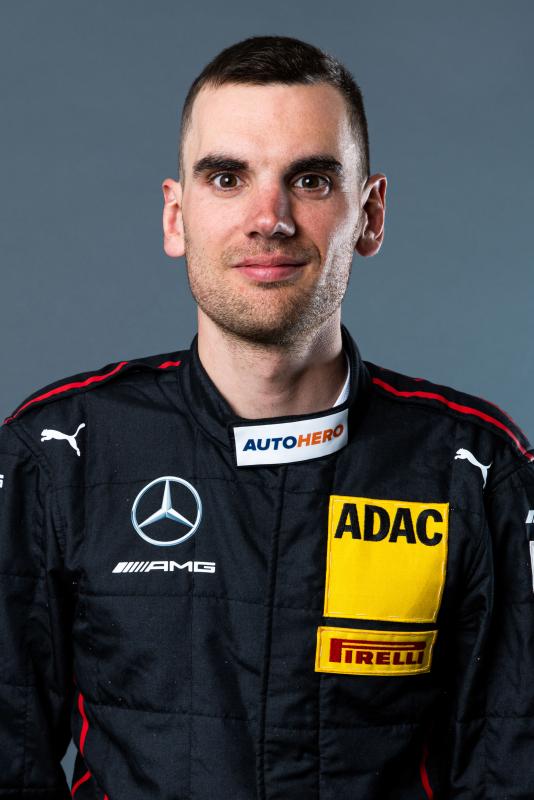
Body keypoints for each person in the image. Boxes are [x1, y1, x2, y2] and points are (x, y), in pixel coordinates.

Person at [0, 35, 533, 800]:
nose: (269, 218)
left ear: (370, 215)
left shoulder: (473, 471)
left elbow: (512, 767)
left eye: (310, 180)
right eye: (227, 177)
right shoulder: (61, 456)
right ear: (176, 216)